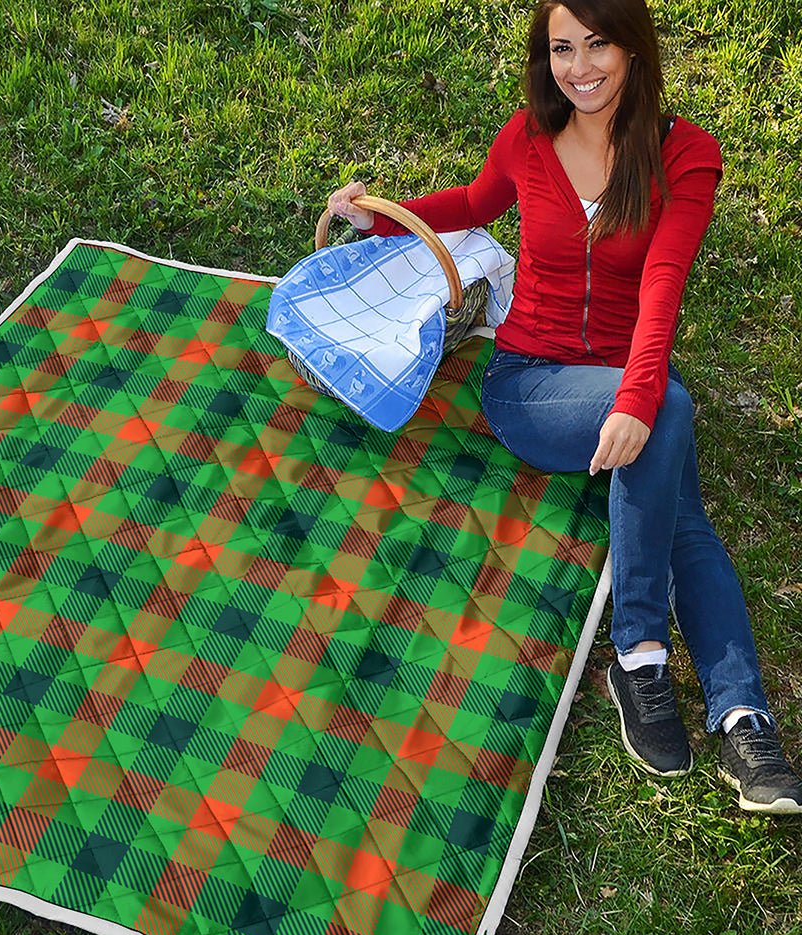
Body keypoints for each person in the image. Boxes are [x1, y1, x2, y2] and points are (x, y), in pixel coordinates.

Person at [326, 0, 802, 814]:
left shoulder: (685, 156)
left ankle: (738, 715)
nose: (579, 67)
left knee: (676, 479)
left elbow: (663, 284)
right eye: (561, 49)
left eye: (598, 45)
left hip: (622, 376)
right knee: (671, 420)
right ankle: (645, 654)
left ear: (633, 49)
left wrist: (639, 397)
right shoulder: (528, 137)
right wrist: (381, 221)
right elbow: (474, 205)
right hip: (530, 383)